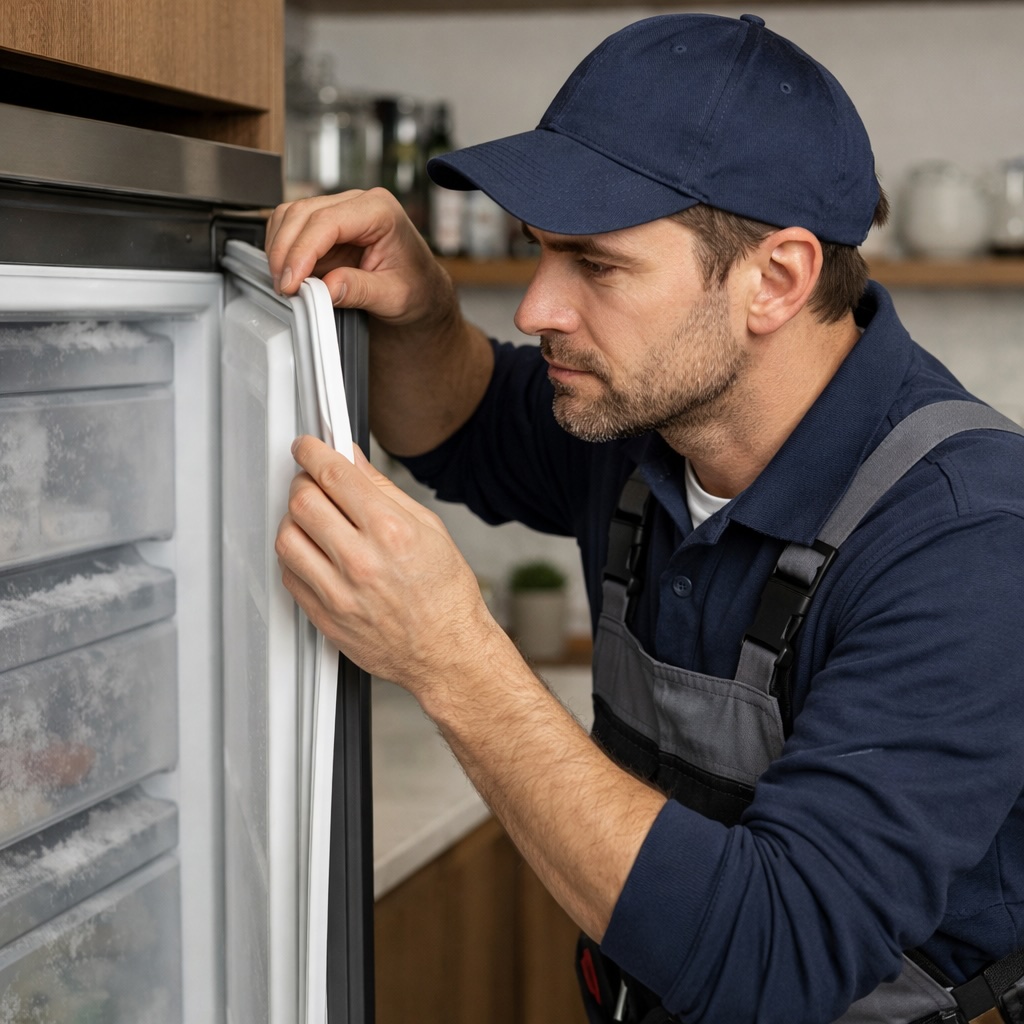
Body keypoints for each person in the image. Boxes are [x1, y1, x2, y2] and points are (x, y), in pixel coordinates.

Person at [267, 13, 1024, 1024]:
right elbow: (468, 425)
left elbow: (781, 954)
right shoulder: (646, 416)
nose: (536, 308)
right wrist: (423, 311)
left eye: (596, 264)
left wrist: (451, 655)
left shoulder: (967, 540)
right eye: (540, 252)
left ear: (777, 279)